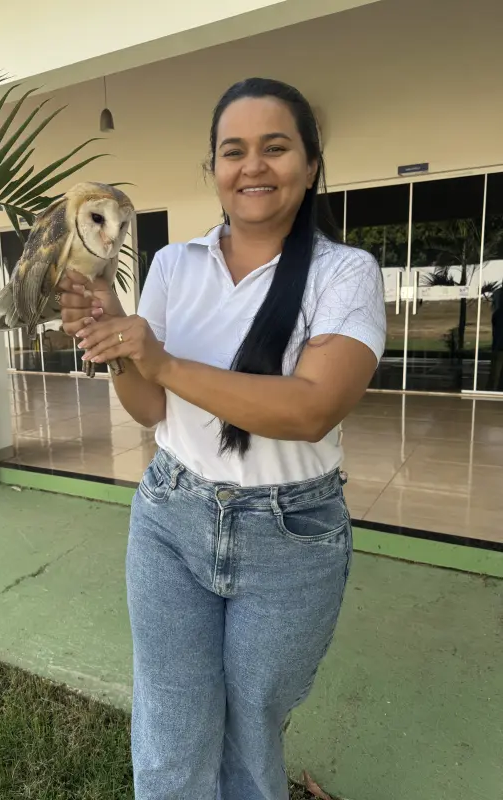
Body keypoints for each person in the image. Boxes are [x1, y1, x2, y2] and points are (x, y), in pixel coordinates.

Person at [58, 77, 386, 800]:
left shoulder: (345, 273)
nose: (253, 166)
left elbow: (310, 410)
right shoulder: (174, 265)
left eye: (276, 148)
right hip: (170, 517)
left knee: (251, 730)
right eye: (233, 151)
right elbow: (149, 408)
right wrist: (115, 342)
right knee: (171, 724)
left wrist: (164, 361)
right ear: (213, 168)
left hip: (291, 536)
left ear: (310, 163)